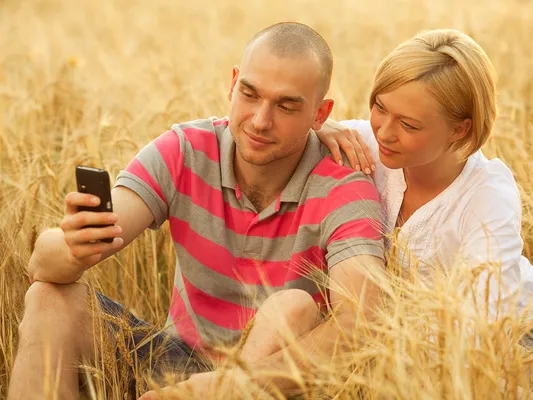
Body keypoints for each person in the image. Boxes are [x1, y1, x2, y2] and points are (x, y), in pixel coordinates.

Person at [8, 22, 385, 400]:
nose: (260, 120)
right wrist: (74, 244)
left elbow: (362, 321)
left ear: (320, 115)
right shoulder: (184, 150)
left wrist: (232, 386)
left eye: (286, 106)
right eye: (250, 94)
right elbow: (42, 266)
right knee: (48, 298)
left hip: (272, 378)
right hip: (172, 358)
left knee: (294, 306)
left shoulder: (343, 186)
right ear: (233, 83)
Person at [315, 28, 533, 399]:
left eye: (409, 124)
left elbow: (484, 325)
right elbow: (257, 125)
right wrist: (318, 127)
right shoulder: (363, 142)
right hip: (420, 346)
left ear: (460, 130)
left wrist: (389, 345)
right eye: (379, 106)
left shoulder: (486, 193)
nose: (385, 131)